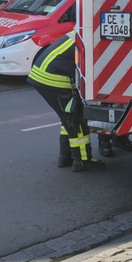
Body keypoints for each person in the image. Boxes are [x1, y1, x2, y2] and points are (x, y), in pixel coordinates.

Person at [26, 32, 104, 172]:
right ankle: (82, 160)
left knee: (67, 117)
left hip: (40, 75)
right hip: (54, 78)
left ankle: (65, 156)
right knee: (76, 119)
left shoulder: (79, 33)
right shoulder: (91, 37)